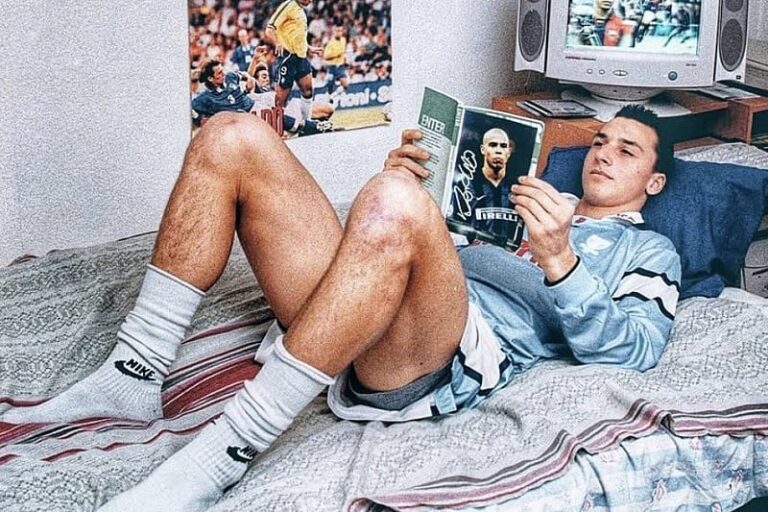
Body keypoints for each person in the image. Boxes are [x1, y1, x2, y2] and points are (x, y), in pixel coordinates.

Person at [2, 105, 681, 511]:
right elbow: (401, 236)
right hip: (362, 301)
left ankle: (219, 457)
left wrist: (560, 258)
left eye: (626, 149)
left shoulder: (647, 250)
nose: (604, 154)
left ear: (652, 182)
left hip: (443, 346)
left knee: (392, 201)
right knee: (230, 134)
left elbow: (636, 350)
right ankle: (132, 374)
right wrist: (407, 187)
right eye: (599, 140)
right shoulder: (521, 196)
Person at [191, 59, 332, 136]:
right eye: (219, 73)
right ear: (210, 79)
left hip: (252, 106)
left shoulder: (230, 77)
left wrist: (249, 79)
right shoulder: (205, 98)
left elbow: (244, 75)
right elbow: (191, 111)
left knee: (276, 115)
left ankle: (310, 126)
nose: (223, 74)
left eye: (222, 71)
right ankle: (307, 127)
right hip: (239, 122)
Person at [264, 0, 321, 123]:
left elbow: (296, 35)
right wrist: (277, 42)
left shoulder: (300, 10)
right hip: (287, 57)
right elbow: (269, 29)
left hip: (301, 57)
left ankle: (307, 123)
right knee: (280, 100)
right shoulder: (288, 5)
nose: (311, 0)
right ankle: (277, 128)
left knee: (308, 90)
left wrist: (308, 48)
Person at [466, 128, 518, 242]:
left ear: (508, 152)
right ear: (483, 149)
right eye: (493, 145)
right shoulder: (468, 186)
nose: (498, 150)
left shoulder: (517, 188)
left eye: (503, 146)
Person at [323, 25, 350, 100]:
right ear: (334, 32)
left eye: (341, 31)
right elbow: (326, 56)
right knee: (330, 87)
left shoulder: (343, 40)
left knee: (345, 85)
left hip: (340, 66)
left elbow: (342, 52)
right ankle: (328, 98)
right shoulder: (331, 43)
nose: (339, 33)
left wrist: (344, 60)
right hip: (332, 67)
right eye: (337, 31)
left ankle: (333, 96)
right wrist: (336, 54)